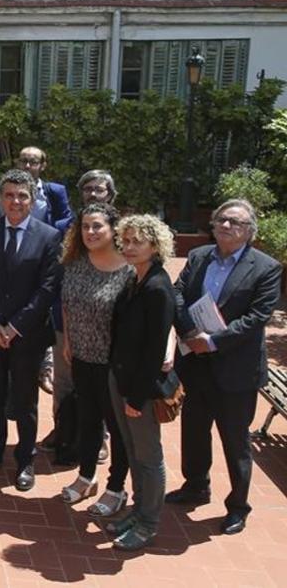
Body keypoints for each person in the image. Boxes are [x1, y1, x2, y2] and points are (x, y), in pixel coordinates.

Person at [168, 199, 282, 536]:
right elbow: (176, 294)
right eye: (221, 220)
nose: (226, 225)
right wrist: (191, 332)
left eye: (234, 222)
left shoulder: (266, 267)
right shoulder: (199, 256)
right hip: (195, 363)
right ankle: (196, 485)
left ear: (249, 231)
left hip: (235, 370)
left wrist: (214, 340)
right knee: (194, 429)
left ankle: (237, 506)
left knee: (235, 441)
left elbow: (258, 317)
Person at [0, 169, 63, 491]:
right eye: (9, 195)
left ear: (32, 201)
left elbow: (47, 290)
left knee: (25, 401)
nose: (15, 201)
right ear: (0, 199)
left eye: (22, 196)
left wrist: (15, 327)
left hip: (27, 335)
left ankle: (25, 460)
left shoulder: (48, 236)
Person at [106, 214, 177, 551]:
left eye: (138, 242)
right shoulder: (135, 278)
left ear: (155, 245)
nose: (130, 247)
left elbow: (153, 350)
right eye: (127, 241)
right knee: (133, 451)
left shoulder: (158, 287)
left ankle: (149, 523)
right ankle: (138, 510)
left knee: (148, 456)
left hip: (141, 388)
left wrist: (136, 397)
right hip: (120, 377)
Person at [58, 204, 133, 517]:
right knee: (88, 421)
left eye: (97, 226)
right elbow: (66, 302)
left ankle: (116, 487)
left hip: (113, 364)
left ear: (113, 229)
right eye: (85, 226)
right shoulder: (75, 263)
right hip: (81, 358)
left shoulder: (129, 270)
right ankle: (86, 477)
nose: (90, 232)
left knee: (117, 428)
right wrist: (70, 343)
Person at [16, 146, 73, 233]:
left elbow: (66, 221)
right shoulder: (6, 191)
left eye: (33, 162)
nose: (27, 166)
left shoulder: (54, 192)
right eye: (23, 161)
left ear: (42, 166)